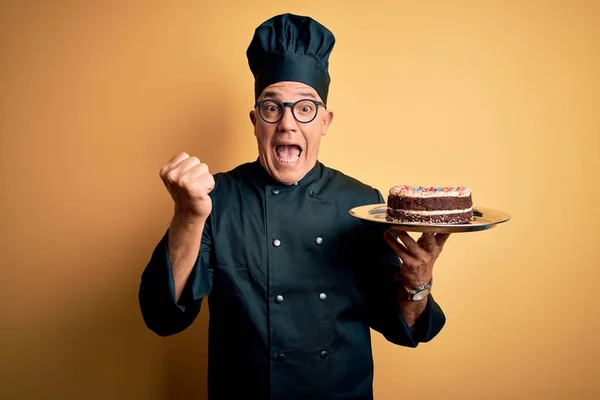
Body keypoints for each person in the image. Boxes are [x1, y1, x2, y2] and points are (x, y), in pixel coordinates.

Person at [139, 12, 449, 400]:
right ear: (255, 120)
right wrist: (188, 216)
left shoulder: (362, 204)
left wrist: (417, 282)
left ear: (325, 121)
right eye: (273, 108)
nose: (287, 123)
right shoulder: (213, 199)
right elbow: (163, 316)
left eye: (305, 108)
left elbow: (402, 326)